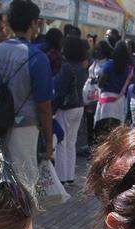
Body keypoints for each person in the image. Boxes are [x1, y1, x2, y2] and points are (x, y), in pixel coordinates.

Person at [0, 0, 54, 188]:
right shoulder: (37, 57)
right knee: (23, 185)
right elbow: (44, 106)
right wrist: (48, 142)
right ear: (32, 23)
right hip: (24, 128)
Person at [54, 36, 88, 184]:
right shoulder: (82, 67)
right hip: (79, 106)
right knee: (71, 142)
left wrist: (54, 108)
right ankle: (69, 176)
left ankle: (61, 177)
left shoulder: (66, 67)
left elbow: (60, 91)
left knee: (62, 142)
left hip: (66, 108)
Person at [94, 38, 132, 136]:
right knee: (115, 131)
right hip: (120, 102)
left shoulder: (108, 65)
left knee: (102, 129)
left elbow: (101, 83)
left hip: (106, 101)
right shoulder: (128, 69)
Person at [83, 38, 111, 149]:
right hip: (89, 94)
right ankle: (90, 144)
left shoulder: (108, 63)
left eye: (100, 50)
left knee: (96, 121)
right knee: (89, 121)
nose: (97, 52)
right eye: (96, 49)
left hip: (99, 96)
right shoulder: (94, 61)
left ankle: (94, 145)